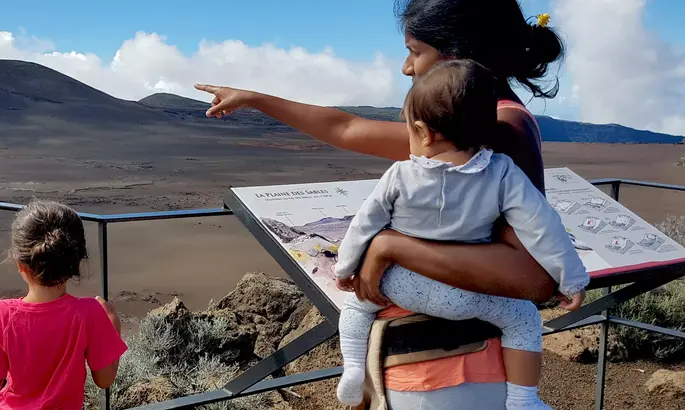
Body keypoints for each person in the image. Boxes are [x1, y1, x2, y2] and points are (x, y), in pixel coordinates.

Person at [195, 0, 568, 408]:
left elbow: (533, 274)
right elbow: (348, 127)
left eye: (415, 51)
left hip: (452, 372)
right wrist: (256, 99)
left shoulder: (498, 131)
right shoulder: (464, 129)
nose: (407, 68)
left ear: (457, 53)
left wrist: (391, 246)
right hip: (431, 364)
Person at [332, 59, 588, 410]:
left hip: (399, 284)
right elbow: (543, 226)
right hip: (468, 291)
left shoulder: (400, 175)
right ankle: (524, 400)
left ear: (423, 132)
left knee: (356, 307)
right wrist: (571, 278)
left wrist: (346, 269)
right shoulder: (501, 173)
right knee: (523, 318)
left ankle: (352, 374)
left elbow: (364, 224)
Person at [0, 200, 128, 409]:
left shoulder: (3, 314)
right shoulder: (89, 313)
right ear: (75, 262)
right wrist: (112, 322)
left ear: (20, 264)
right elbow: (104, 379)